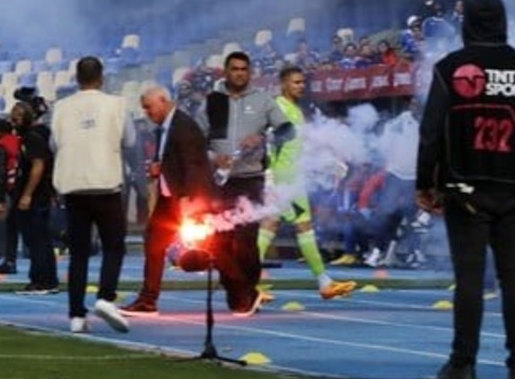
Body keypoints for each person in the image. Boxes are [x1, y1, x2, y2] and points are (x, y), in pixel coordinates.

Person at [417, 0, 515, 379]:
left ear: (466, 23)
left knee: (468, 278)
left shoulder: (451, 68)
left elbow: (431, 132)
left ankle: (463, 364)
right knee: (514, 276)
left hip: (465, 189)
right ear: (502, 20)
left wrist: (424, 183)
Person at [198, 51, 293, 317]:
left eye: (244, 69)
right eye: (234, 69)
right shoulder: (212, 102)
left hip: (251, 179)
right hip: (220, 181)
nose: (239, 73)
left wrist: (262, 140)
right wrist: (214, 158)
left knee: (246, 241)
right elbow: (197, 140)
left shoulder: (263, 101)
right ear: (225, 72)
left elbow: (288, 131)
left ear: (249, 73)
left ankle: (244, 292)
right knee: (218, 241)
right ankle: (240, 290)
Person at [257, 66, 357, 302]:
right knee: (289, 226)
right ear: (283, 84)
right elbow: (269, 142)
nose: (301, 86)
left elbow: (300, 145)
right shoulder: (279, 107)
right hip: (283, 178)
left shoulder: (296, 110)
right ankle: (323, 283)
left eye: (302, 82)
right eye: (295, 82)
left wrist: (329, 162)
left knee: (276, 226)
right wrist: (269, 174)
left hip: (293, 178)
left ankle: (324, 283)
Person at [50, 56, 133, 334]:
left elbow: (54, 143)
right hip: (105, 183)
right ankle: (105, 297)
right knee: (113, 246)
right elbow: (130, 140)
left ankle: (76, 315)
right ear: (101, 78)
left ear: (77, 78)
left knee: (79, 253)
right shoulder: (116, 104)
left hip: (74, 186)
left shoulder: (61, 108)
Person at [121, 85, 213, 315]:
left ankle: (243, 288)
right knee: (153, 241)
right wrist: (158, 168)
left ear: (163, 101)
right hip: (168, 196)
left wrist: (188, 200)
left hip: (181, 198)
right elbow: (173, 160)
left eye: (148, 107)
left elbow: (194, 166)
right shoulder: (166, 127)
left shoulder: (183, 127)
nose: (146, 113)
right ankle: (148, 299)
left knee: (215, 248)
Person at [7, 101, 57, 294]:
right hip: (40, 193)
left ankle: (40, 280)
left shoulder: (32, 138)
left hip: (35, 195)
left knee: (35, 239)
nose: (13, 122)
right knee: (40, 239)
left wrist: (27, 194)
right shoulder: (39, 135)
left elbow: (38, 166)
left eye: (17, 118)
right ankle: (48, 279)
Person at [0, 119, 21, 274]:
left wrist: (0, 201)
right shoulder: (19, 141)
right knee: (28, 225)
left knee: (14, 226)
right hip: (24, 185)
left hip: (13, 188)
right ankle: (10, 261)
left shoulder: (0, 146)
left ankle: (10, 261)